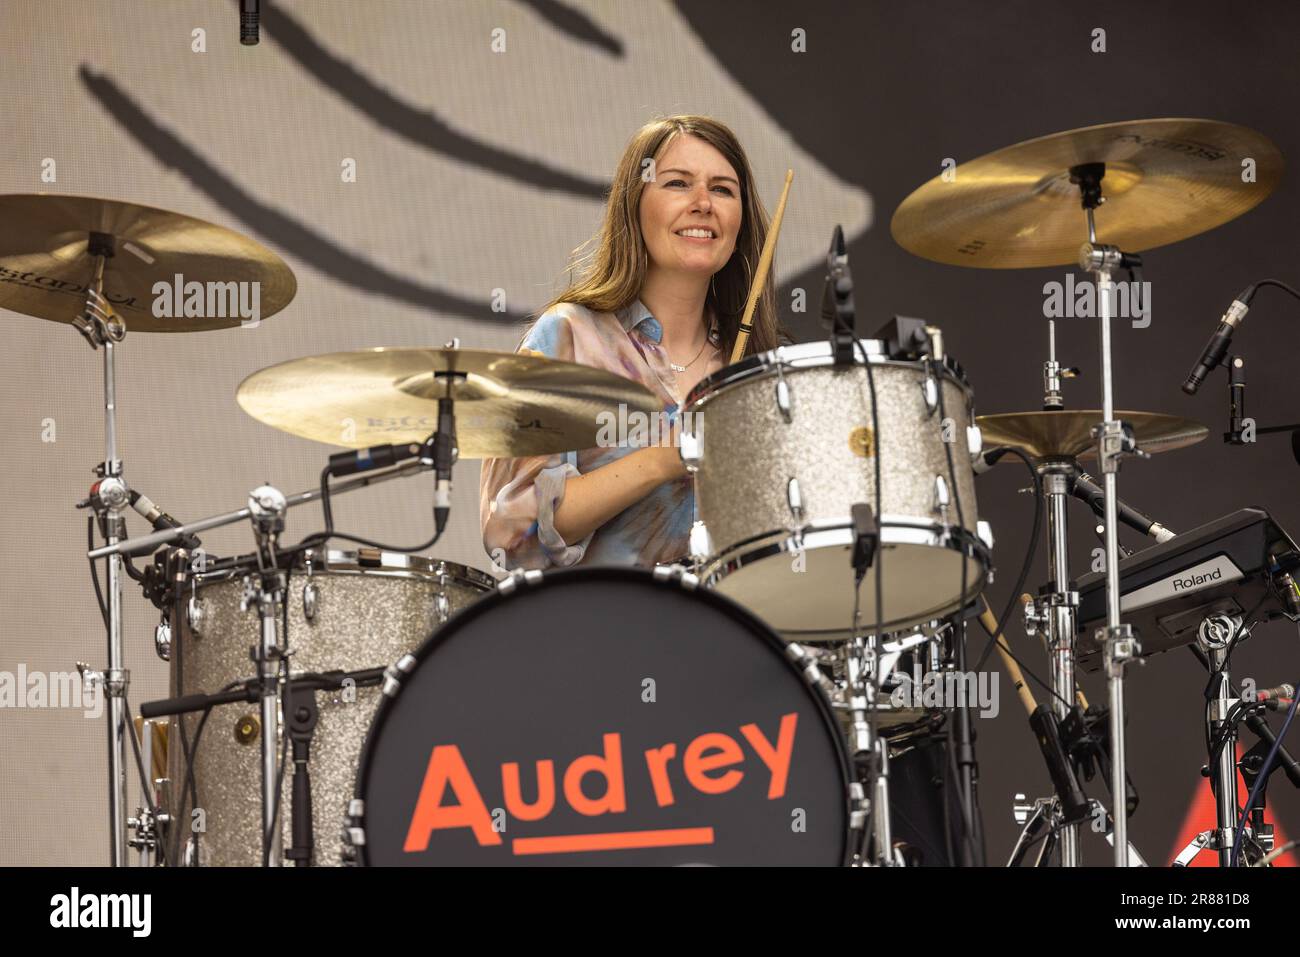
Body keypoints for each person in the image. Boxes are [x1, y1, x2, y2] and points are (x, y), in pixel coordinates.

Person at [480, 114, 782, 571]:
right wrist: (664, 460)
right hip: (597, 633)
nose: (703, 203)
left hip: (731, 635)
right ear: (634, 205)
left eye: (722, 189)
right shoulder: (568, 338)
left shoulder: (761, 371)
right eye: (678, 183)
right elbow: (511, 535)